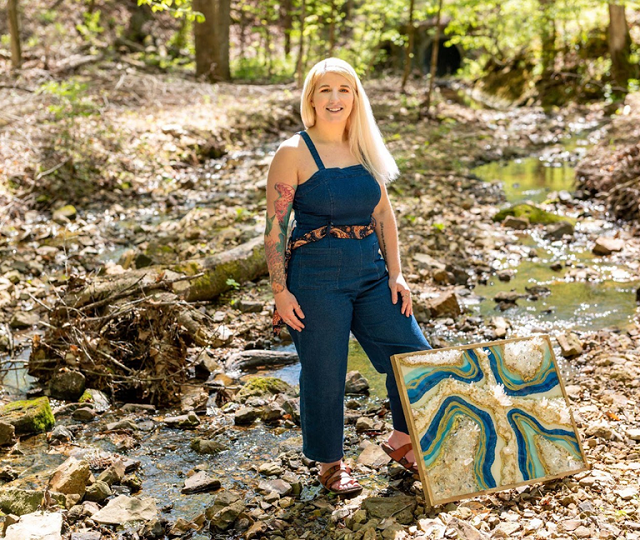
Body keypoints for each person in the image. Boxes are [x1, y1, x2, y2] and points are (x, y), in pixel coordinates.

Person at [263, 57, 432, 496]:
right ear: (311, 98)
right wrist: (280, 293)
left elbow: (383, 215)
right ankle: (330, 463)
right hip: (315, 277)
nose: (335, 98)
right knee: (325, 370)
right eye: (326, 90)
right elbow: (275, 228)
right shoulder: (293, 152)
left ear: (356, 97)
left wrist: (398, 274)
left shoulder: (364, 147)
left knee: (412, 351)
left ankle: (401, 438)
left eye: (345, 89)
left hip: (372, 274)